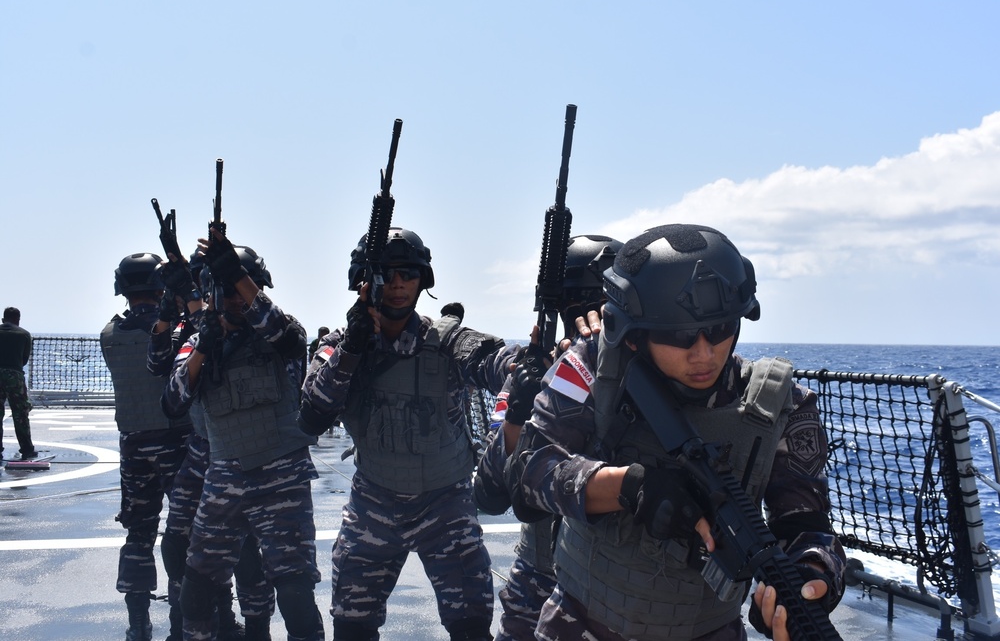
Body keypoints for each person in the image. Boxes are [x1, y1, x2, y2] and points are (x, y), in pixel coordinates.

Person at [505, 224, 847, 641]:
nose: (704, 354)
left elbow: (806, 525)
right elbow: (529, 476)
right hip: (581, 624)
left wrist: (813, 576)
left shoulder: (782, 406)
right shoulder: (590, 370)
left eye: (720, 329)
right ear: (633, 335)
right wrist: (629, 487)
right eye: (680, 336)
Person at [297, 227, 516, 641]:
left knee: (471, 625)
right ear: (364, 281)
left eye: (409, 274)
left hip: (445, 503)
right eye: (388, 274)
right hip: (374, 503)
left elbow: (492, 360)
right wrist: (353, 350)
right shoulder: (338, 346)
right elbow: (312, 413)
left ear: (422, 281)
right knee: (352, 625)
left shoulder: (447, 339)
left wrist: (522, 367)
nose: (398, 284)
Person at [161, 228, 325, 641]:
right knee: (196, 589)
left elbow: (283, 333)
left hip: (282, 479)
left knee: (294, 595)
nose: (236, 300)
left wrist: (235, 273)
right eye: (226, 291)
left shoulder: (284, 335)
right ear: (211, 292)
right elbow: (174, 401)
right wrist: (204, 347)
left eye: (242, 290)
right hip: (224, 479)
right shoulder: (199, 342)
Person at [473, 234, 622, 641]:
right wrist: (518, 418)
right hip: (538, 577)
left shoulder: (649, 379)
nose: (589, 317)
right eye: (577, 304)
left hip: (615, 587)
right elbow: (489, 495)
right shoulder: (531, 375)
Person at [150, 250, 272, 641]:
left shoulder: (269, 333)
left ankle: (255, 627)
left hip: (247, 455)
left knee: (250, 549)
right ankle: (206, 618)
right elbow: (163, 376)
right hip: (202, 448)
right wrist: (177, 312)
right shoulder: (195, 331)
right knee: (180, 542)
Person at [100, 253, 194, 641]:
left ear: (123, 289)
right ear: (160, 287)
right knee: (182, 535)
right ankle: (181, 618)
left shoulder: (109, 334)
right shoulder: (175, 331)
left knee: (138, 535)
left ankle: (138, 621)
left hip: (133, 447)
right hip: (178, 442)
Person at [0, 306, 37, 460]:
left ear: (3, 319)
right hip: (14, 375)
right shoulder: (24, 334)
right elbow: (24, 360)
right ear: (18, 319)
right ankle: (27, 449)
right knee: (20, 413)